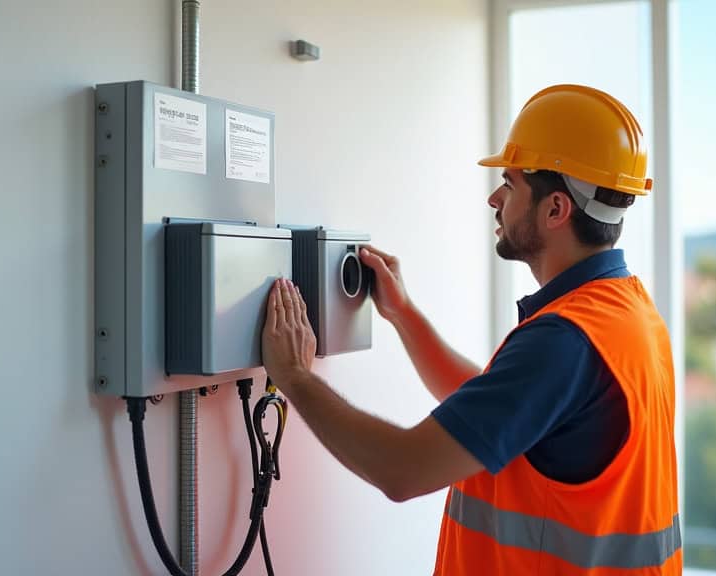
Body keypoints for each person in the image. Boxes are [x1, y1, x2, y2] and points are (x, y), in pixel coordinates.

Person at [261, 84, 681, 574]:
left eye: (511, 182)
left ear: (555, 210)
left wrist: (295, 377)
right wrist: (404, 315)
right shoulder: (624, 311)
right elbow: (492, 409)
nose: (494, 198)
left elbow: (403, 470)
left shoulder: (563, 340)